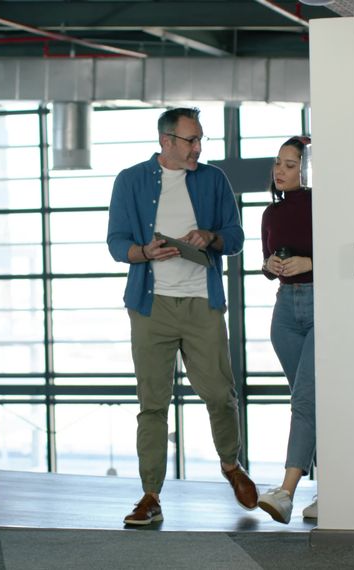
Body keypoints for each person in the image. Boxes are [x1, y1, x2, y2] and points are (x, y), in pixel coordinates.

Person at [106, 107, 257, 526]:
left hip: (201, 303)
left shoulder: (213, 180)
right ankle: (150, 495)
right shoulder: (130, 181)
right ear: (166, 142)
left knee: (218, 394)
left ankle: (230, 464)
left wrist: (210, 237)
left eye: (200, 140)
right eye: (191, 141)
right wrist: (144, 252)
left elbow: (237, 239)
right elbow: (117, 242)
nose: (198, 148)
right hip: (150, 306)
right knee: (152, 404)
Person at [256, 136, 317, 524]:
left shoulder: (324, 205)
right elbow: (266, 261)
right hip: (284, 312)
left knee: (306, 401)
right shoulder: (270, 213)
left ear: (307, 169)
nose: (280, 170)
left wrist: (308, 262)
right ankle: (331, 493)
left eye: (290, 164)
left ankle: (286, 492)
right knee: (312, 403)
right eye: (278, 163)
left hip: (321, 304)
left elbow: (342, 251)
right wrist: (271, 266)